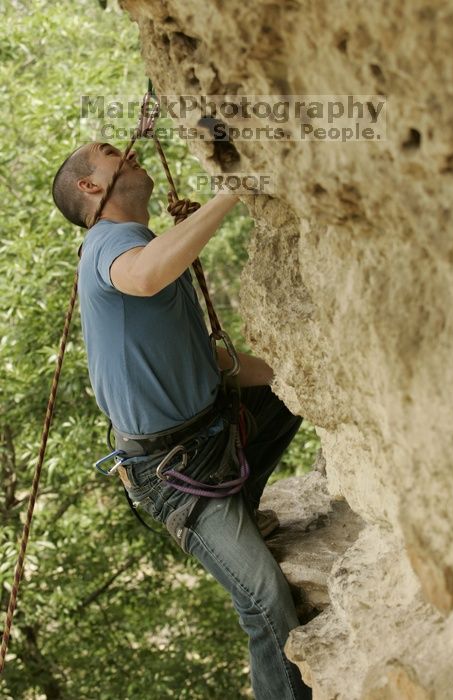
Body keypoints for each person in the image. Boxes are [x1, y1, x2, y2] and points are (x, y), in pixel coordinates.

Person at [52, 141, 312, 699]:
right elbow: (144, 277)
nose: (125, 148)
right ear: (90, 188)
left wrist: (302, 374)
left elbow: (208, 359)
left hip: (208, 432)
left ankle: (241, 513)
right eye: (106, 152)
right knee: (263, 598)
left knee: (292, 395)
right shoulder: (108, 242)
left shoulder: (139, 243)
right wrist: (229, 194)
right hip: (174, 470)